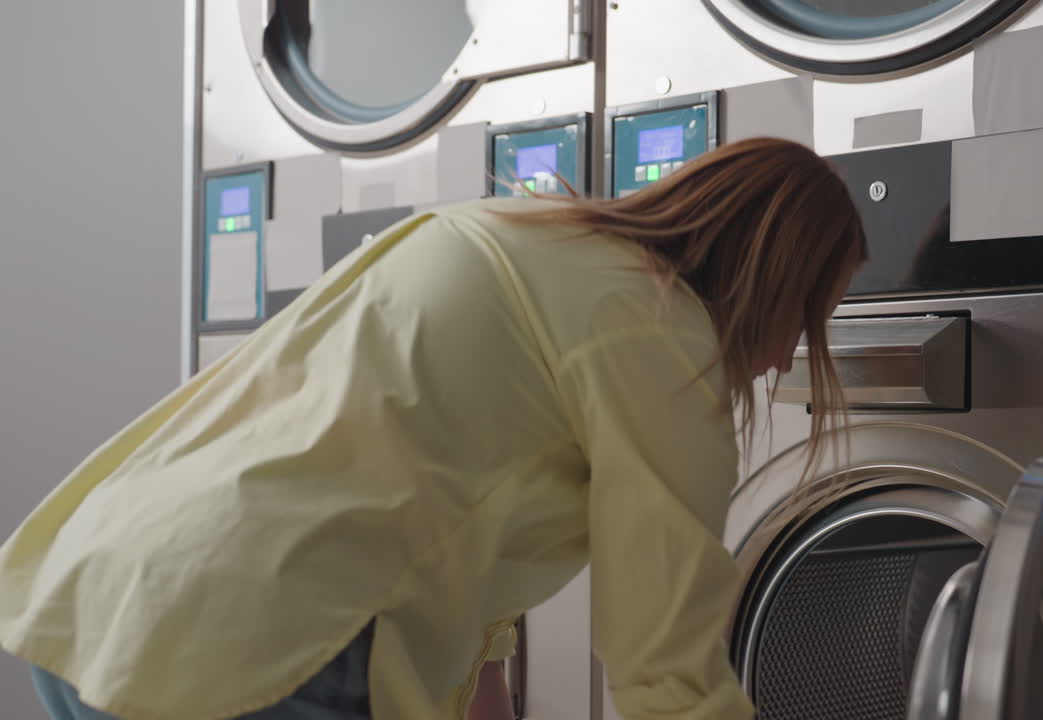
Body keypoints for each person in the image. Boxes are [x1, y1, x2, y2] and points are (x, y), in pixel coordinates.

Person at [0, 136, 867, 720]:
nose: (792, 355)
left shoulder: (524, 234)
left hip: (114, 598)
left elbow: (455, 517)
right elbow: (665, 669)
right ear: (776, 278)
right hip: (268, 649)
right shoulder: (659, 337)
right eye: (809, 315)